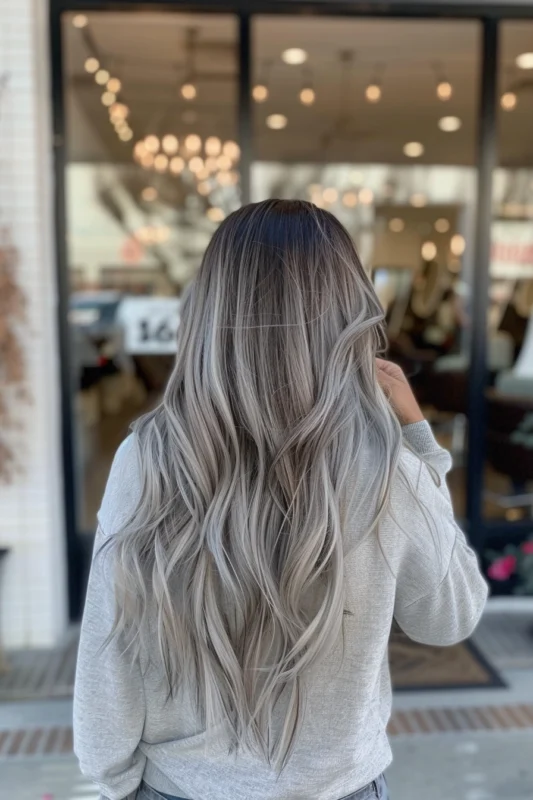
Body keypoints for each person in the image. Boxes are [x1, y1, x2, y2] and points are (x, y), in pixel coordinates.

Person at [74, 200, 488, 800]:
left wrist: (116, 783)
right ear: (348, 313)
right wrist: (420, 448)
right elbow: (450, 618)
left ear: (212, 313)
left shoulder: (149, 458)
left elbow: (109, 660)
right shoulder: (386, 468)